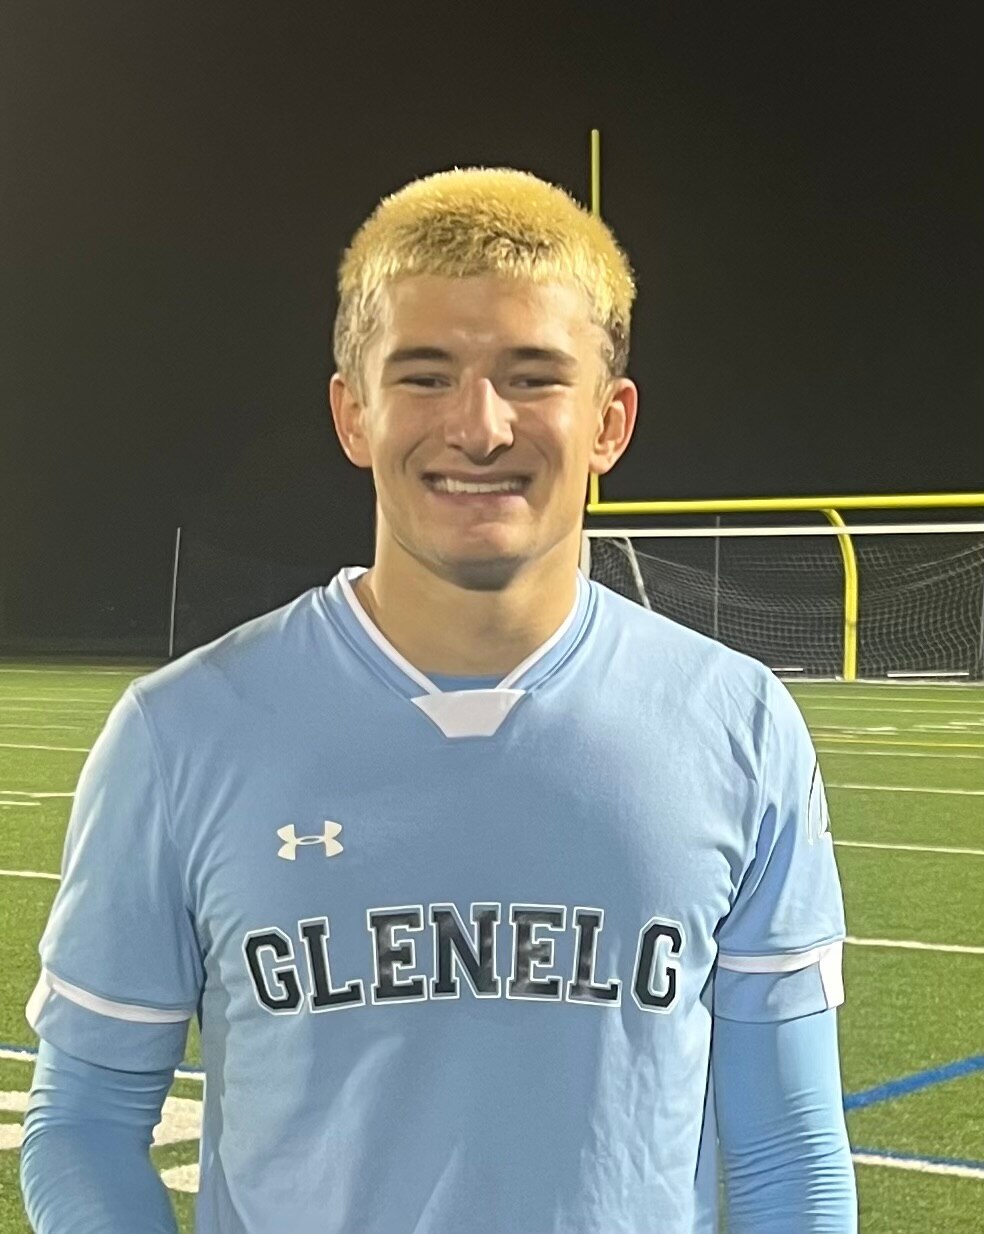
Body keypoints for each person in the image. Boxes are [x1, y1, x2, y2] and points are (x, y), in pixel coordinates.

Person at [20, 166, 857, 1233]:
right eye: (423, 375)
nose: (479, 425)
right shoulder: (180, 733)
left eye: (534, 376)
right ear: (352, 412)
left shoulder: (738, 725)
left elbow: (788, 1155)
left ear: (610, 422)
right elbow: (84, 1124)